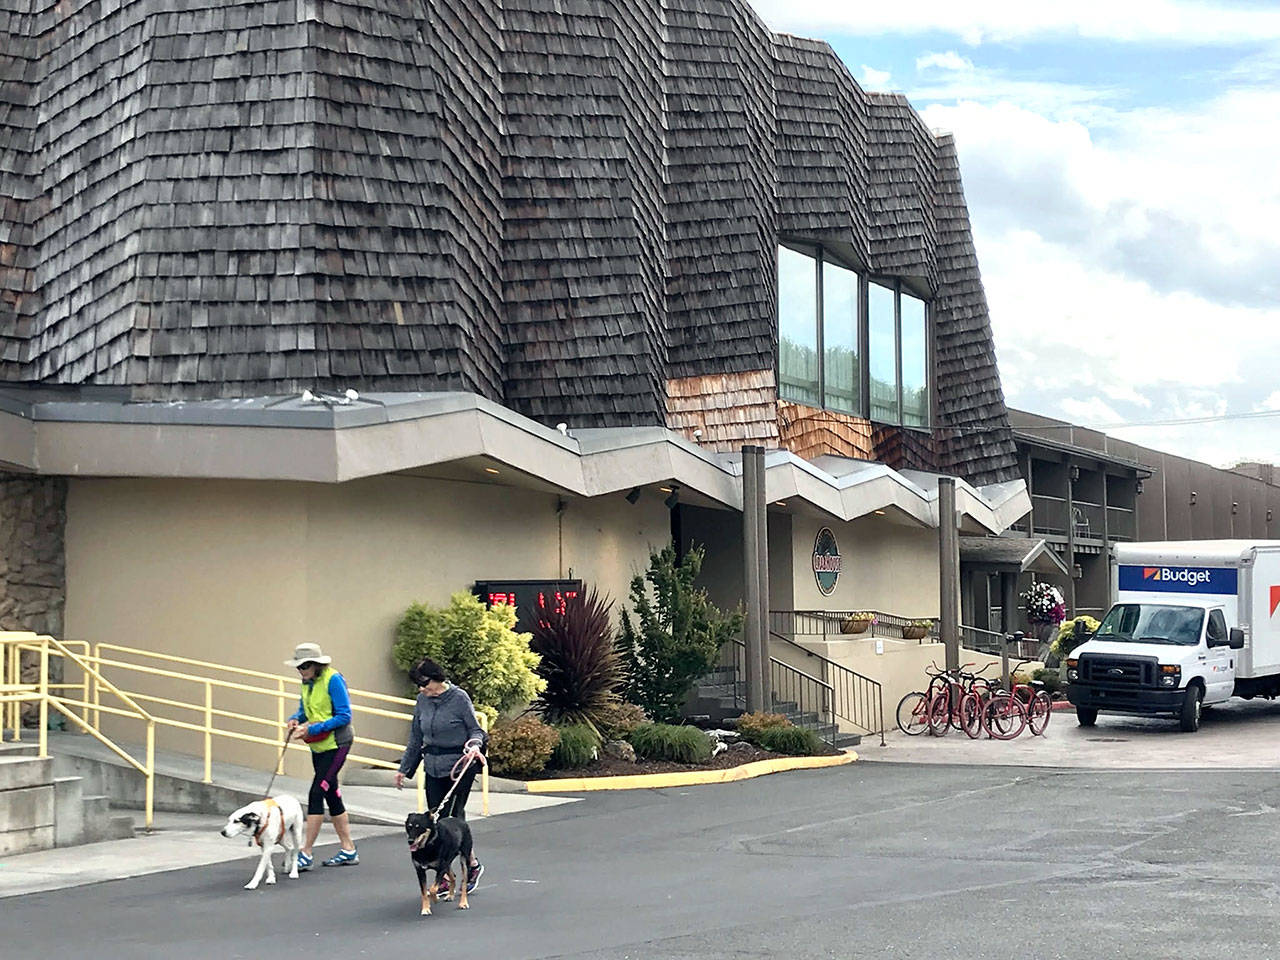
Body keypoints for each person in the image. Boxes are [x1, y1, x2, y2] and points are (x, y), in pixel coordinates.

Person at [394, 656, 486, 897]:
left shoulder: (459, 698)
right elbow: (416, 737)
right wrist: (404, 768)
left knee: (450, 819)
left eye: (425, 684)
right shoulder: (422, 701)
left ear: (437, 678)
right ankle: (463, 867)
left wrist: (474, 745)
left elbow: (476, 730)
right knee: (434, 821)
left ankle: (461, 868)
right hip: (432, 766)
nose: (422, 689)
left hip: (459, 766)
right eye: (419, 686)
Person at [283, 641, 358, 870]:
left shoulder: (333, 679)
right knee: (331, 793)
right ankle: (348, 849)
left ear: (316, 664)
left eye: (305, 666)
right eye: (299, 667)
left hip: (337, 744)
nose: (301, 670)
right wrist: (295, 719)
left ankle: (305, 852)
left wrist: (313, 729)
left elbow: (344, 715)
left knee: (317, 792)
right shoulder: (307, 683)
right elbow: (305, 710)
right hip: (318, 746)